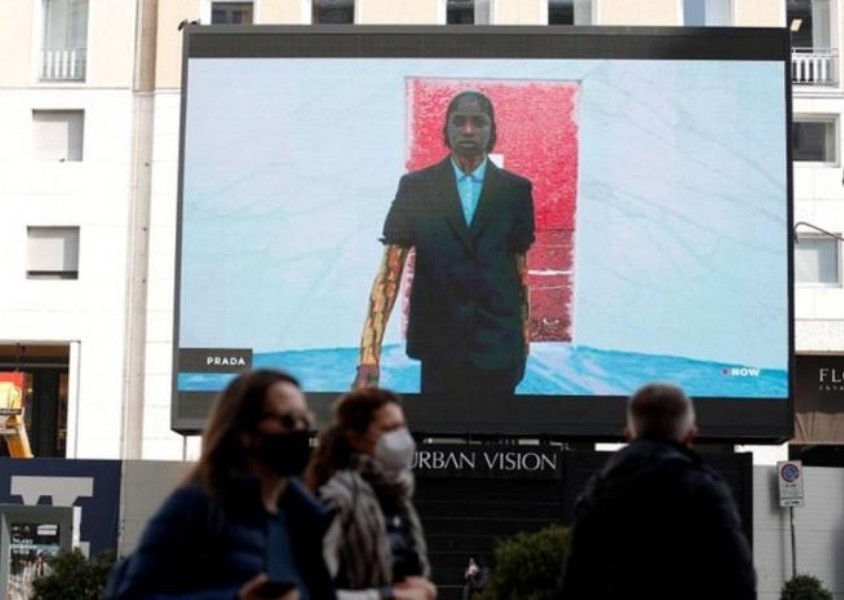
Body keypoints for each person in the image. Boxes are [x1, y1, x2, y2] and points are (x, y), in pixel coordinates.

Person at [353, 90, 536, 405]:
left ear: (492, 129)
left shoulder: (516, 191)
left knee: (499, 432)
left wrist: (524, 345)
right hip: (439, 347)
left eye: (478, 122)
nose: (468, 130)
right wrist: (369, 355)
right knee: (438, 429)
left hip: (500, 347)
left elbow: (521, 274)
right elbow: (388, 275)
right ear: (446, 129)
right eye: (459, 121)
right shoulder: (415, 188)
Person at [110, 369, 336, 600]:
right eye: (288, 421)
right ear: (245, 433)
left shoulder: (305, 520)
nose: (300, 430)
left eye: (305, 421)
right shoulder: (196, 507)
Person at [560, 383, 756, 600]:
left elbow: (576, 585)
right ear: (690, 436)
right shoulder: (706, 491)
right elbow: (739, 583)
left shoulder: (597, 493)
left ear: (628, 435)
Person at [306, 387, 436, 600]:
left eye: (402, 426)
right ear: (356, 439)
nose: (401, 436)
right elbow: (310, 592)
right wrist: (387, 596)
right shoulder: (338, 499)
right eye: (389, 428)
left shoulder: (398, 498)